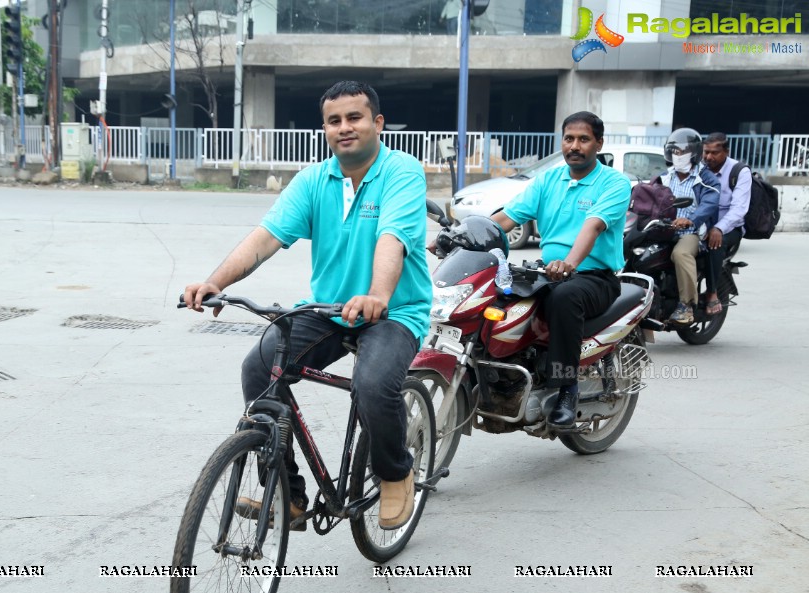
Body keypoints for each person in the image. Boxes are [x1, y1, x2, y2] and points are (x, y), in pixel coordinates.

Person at [183, 81, 432, 530]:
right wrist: (214, 281)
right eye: (334, 121)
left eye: (354, 118)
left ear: (376, 123)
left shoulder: (402, 173)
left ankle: (396, 473)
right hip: (328, 309)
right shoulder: (315, 180)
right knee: (260, 368)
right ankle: (288, 492)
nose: (344, 128)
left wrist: (377, 295)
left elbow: (392, 239)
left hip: (392, 312)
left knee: (373, 385)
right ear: (325, 129)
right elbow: (265, 239)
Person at [490, 112, 631, 428]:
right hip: (547, 272)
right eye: (569, 139)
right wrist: (463, 234)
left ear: (599, 144)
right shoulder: (547, 181)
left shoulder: (615, 183)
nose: (575, 146)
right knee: (502, 296)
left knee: (563, 297)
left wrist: (571, 263)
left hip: (594, 278)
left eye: (584, 139)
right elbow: (506, 218)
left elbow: (593, 226)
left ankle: (566, 387)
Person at [659, 127, 720, 325]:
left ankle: (686, 306)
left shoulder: (705, 178)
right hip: (664, 229)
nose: (678, 156)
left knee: (681, 254)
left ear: (693, 152)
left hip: (691, 231)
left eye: (683, 152)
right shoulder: (665, 176)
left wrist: (692, 219)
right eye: (675, 152)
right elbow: (650, 196)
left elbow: (710, 202)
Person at [701, 132, 749, 316]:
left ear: (726, 152)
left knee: (714, 244)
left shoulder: (739, 171)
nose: (709, 157)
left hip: (729, 227)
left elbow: (739, 210)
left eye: (714, 153)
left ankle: (712, 292)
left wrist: (719, 227)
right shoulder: (700, 168)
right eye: (706, 152)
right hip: (701, 225)